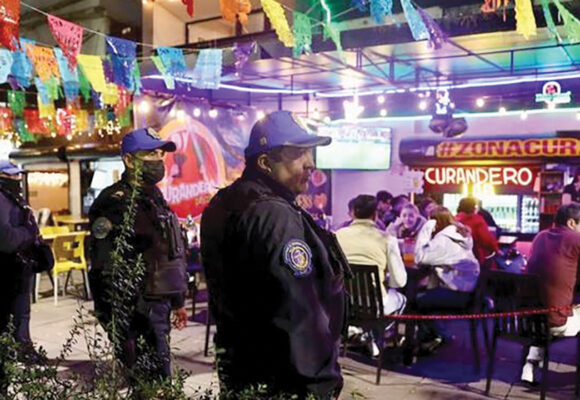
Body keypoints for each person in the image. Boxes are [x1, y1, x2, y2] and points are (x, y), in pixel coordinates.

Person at [201, 110, 349, 400]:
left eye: (310, 152)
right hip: (283, 377)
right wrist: (320, 381)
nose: (311, 164)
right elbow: (298, 307)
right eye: (298, 153)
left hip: (240, 365)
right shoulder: (274, 214)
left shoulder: (223, 203)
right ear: (266, 162)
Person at [89, 128, 188, 386]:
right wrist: (117, 323)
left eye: (159, 154)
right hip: (136, 311)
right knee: (150, 385)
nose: (157, 160)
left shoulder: (154, 196)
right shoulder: (113, 202)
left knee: (159, 381)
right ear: (129, 160)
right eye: (150, 153)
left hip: (159, 304)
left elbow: (164, 249)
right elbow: (102, 267)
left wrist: (178, 300)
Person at [0, 161, 53, 391]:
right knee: (11, 315)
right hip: (7, 270)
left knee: (23, 311)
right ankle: (12, 353)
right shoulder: (1, 200)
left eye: (18, 176)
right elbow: (7, 239)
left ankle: (23, 347)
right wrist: (29, 233)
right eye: (11, 176)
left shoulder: (13, 199)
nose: (17, 180)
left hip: (21, 268)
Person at [520, 203, 580, 384]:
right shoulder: (576, 239)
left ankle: (529, 366)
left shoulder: (540, 236)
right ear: (571, 222)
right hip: (555, 321)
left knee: (549, 312)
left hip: (529, 320)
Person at [413, 206, 480, 351]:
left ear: (434, 223)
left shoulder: (444, 240)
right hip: (468, 292)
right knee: (424, 295)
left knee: (415, 300)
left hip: (458, 294)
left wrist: (425, 230)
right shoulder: (457, 234)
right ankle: (437, 334)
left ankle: (433, 337)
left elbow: (420, 258)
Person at [336, 194, 407, 315]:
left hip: (342, 303)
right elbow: (399, 282)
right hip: (375, 305)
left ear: (352, 213)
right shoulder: (387, 239)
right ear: (375, 215)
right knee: (401, 299)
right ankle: (383, 333)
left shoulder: (336, 236)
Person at [456, 197, 499, 266]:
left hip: (457, 259)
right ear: (473, 207)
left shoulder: (454, 220)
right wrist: (496, 250)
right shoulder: (477, 220)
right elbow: (486, 240)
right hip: (475, 259)